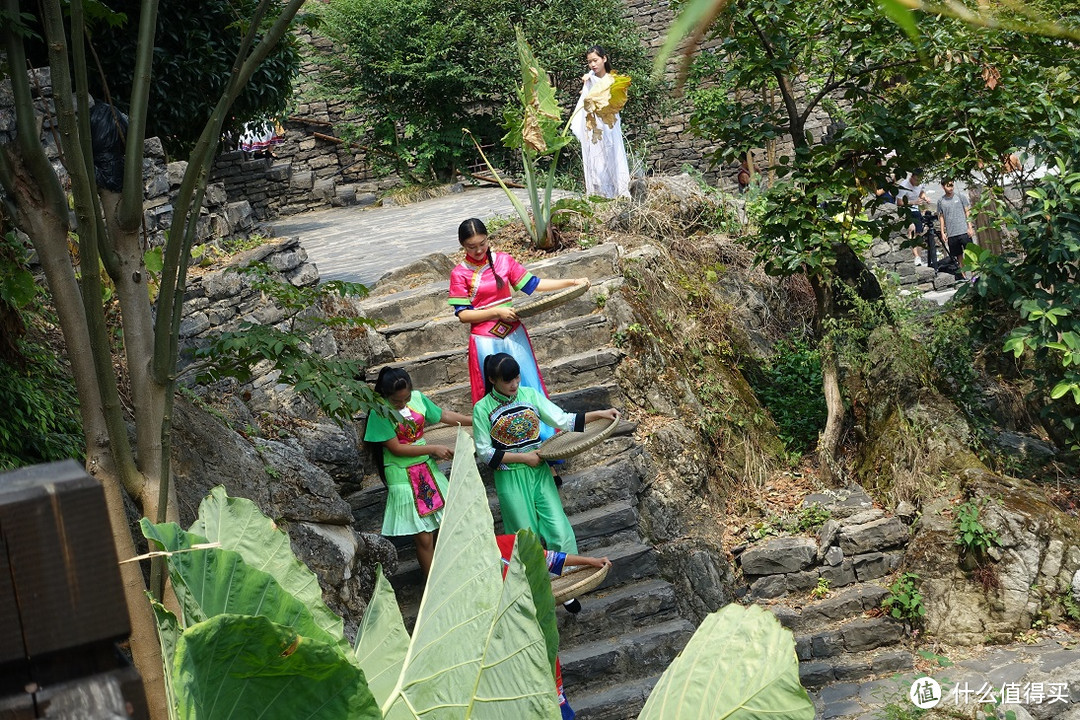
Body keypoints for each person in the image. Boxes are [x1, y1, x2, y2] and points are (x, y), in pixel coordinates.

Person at [448, 218, 587, 443]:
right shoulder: (459, 273)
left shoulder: (503, 261)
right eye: (471, 247)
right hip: (486, 342)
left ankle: (545, 445)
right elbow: (463, 315)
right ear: (462, 245)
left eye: (482, 243)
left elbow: (533, 284)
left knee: (528, 385)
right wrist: (497, 312)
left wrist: (570, 282)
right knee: (493, 395)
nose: (478, 250)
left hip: (514, 336)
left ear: (488, 239)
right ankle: (506, 449)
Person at [473, 353, 619, 561]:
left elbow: (562, 420)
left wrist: (599, 414)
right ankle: (534, 589)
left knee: (559, 528)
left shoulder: (530, 395)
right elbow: (485, 453)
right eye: (508, 381)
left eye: (517, 378)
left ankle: (570, 584)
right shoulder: (482, 409)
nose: (514, 384)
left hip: (540, 472)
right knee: (524, 536)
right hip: (510, 477)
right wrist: (524, 458)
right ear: (492, 380)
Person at [363, 367, 471, 576]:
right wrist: (432, 448)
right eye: (397, 401)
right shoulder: (379, 411)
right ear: (386, 396)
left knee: (445, 524)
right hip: (402, 475)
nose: (403, 404)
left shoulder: (419, 399)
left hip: (426, 470)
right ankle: (433, 588)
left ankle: (449, 575)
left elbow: (443, 415)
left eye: (407, 398)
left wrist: (474, 420)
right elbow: (396, 448)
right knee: (423, 536)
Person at [495, 533, 610, 718]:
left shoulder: (511, 543)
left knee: (553, 693)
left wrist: (590, 561)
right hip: (504, 643)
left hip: (537, 630)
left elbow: (551, 559)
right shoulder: (471, 567)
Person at [570, 45, 631, 199]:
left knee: (613, 152)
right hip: (595, 126)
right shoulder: (590, 80)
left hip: (609, 123)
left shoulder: (613, 80)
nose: (593, 65)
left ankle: (619, 192)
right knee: (597, 157)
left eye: (595, 60)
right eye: (590, 62)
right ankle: (601, 194)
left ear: (604, 59)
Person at [937, 179, 976, 279]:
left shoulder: (960, 196)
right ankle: (964, 277)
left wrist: (970, 227)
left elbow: (967, 212)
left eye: (952, 185)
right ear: (943, 186)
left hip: (963, 230)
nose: (950, 188)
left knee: (970, 254)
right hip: (952, 233)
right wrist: (942, 232)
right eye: (948, 185)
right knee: (959, 256)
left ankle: (974, 276)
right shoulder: (941, 201)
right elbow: (941, 217)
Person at [897, 169, 930, 265]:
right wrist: (913, 202)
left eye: (919, 181)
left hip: (916, 210)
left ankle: (918, 257)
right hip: (906, 210)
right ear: (912, 177)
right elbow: (899, 203)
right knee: (912, 229)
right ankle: (915, 256)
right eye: (916, 180)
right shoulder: (904, 185)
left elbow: (921, 192)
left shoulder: (920, 183)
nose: (917, 183)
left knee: (919, 233)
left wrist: (925, 197)